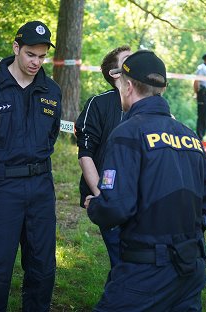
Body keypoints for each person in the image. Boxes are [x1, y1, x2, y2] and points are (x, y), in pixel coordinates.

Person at [85, 50, 206, 311]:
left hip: (145, 272)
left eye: (120, 83)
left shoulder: (127, 134)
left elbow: (116, 207)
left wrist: (95, 206)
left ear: (129, 86)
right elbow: (205, 206)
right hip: (191, 268)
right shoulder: (189, 136)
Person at [0, 21, 61, 311]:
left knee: (42, 268)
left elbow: (52, 134)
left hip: (41, 188)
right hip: (3, 188)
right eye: (31, 54)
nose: (37, 62)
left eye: (42, 56)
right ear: (16, 48)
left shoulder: (52, 91)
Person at [75, 45, 131, 270]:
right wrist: (102, 197)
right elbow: (85, 155)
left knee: (134, 266)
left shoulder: (147, 105)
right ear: (115, 74)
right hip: (110, 200)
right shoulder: (97, 104)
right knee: (122, 264)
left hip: (141, 202)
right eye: (128, 60)